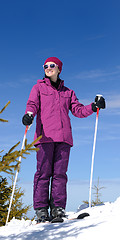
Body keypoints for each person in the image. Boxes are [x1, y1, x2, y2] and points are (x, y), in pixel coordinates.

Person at [22, 57, 106, 223]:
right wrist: (29, 115)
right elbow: (32, 104)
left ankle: (58, 209)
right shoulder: (38, 88)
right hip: (44, 137)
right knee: (43, 174)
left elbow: (78, 110)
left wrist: (93, 106)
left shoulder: (68, 92)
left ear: (59, 69)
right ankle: (41, 210)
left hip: (64, 138)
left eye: (51, 65)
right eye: (45, 66)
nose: (48, 68)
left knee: (60, 175)